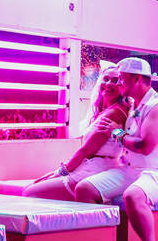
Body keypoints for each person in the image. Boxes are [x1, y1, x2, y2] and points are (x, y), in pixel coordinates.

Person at [75, 57, 158, 241]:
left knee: (133, 196)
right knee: (84, 189)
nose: (118, 84)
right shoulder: (134, 104)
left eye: (122, 79)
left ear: (136, 79)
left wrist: (116, 133)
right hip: (135, 170)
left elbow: (145, 146)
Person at [25, 63, 130, 200]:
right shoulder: (110, 110)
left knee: (30, 192)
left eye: (115, 81)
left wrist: (60, 172)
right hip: (97, 166)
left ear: (123, 86)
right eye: (105, 79)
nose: (108, 84)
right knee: (31, 188)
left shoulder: (114, 113)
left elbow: (86, 151)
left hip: (95, 170)